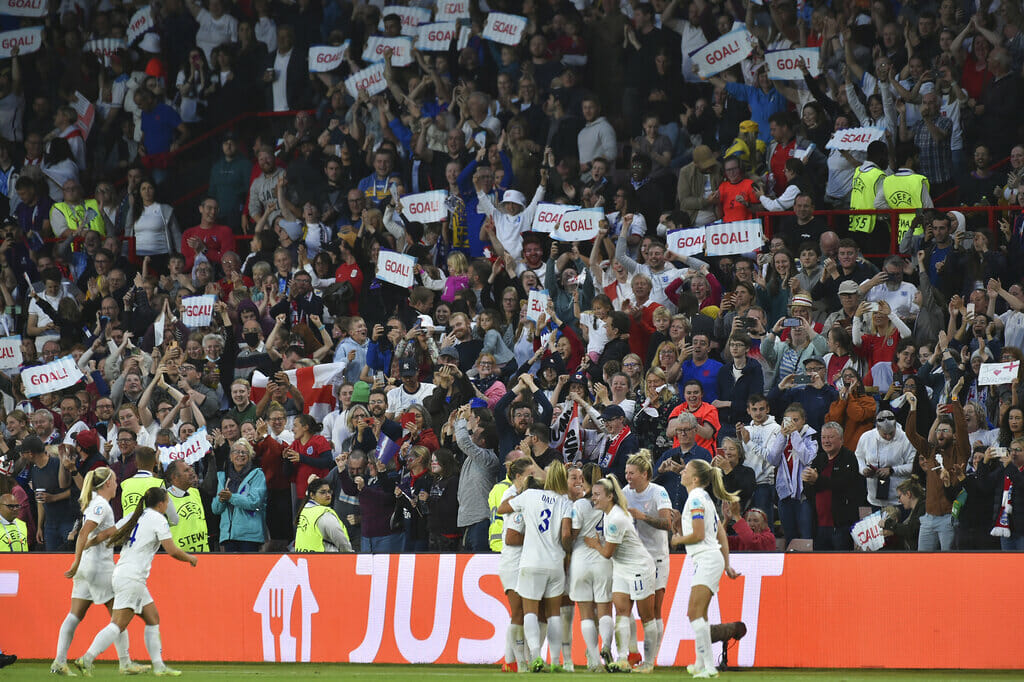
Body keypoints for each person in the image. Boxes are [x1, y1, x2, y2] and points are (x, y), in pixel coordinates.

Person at [72, 488, 197, 677]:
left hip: (124, 573)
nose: (168, 504)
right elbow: (171, 550)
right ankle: (87, 658)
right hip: (132, 577)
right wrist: (190, 558)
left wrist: (89, 543)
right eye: (167, 502)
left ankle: (159, 666)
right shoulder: (158, 519)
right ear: (162, 503)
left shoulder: (134, 515)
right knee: (118, 624)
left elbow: (107, 533)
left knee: (152, 618)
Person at [53, 468, 148, 676]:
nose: (117, 484)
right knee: (120, 615)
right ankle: (124, 662)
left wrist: (113, 533)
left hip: (88, 567)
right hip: (98, 567)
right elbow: (83, 533)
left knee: (74, 614)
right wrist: (75, 561)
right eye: (115, 480)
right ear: (107, 484)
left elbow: (95, 535)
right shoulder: (101, 505)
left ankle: (59, 661)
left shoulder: (94, 502)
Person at [496, 462, 572, 673]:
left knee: (527, 613)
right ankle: (554, 661)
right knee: (552, 614)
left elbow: (502, 510)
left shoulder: (528, 497)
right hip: (555, 563)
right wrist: (566, 549)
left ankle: (532, 658)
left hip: (531, 562)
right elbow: (566, 535)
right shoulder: (564, 502)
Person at [668, 460, 740, 679]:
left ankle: (709, 667)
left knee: (694, 614)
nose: (682, 472)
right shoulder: (705, 498)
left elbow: (699, 535)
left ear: (695, 478)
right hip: (709, 558)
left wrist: (678, 539)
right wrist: (726, 563)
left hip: (706, 558)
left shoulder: (696, 498)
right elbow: (720, 534)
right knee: (700, 614)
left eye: (686, 470)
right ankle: (700, 663)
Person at [582, 475, 658, 674]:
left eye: (597, 495)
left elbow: (607, 553)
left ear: (610, 497)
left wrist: (595, 544)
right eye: (593, 495)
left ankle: (649, 663)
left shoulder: (616, 518)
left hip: (639, 568)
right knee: (621, 613)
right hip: (622, 568)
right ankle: (622, 658)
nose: (593, 498)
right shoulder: (608, 514)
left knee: (646, 616)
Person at [622, 452, 672, 667]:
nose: (627, 477)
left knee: (653, 611)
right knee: (625, 606)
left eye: (631, 473)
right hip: (632, 558)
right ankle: (632, 654)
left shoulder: (658, 492)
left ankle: (652, 660)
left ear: (644, 474)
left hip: (656, 558)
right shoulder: (625, 493)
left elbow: (667, 524)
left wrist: (642, 517)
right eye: (626, 473)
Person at [569, 463, 614, 673]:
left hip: (581, 560)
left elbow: (574, 533)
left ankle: (594, 660)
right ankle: (606, 647)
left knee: (586, 612)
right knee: (604, 609)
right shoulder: (608, 502)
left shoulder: (580, 505)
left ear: (582, 480)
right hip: (603, 558)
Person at [497, 457, 533, 673]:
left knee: (521, 612)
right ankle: (514, 660)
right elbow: (511, 538)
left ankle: (510, 660)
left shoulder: (517, 495)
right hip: (513, 560)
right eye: (530, 475)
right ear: (518, 477)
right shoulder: (513, 497)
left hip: (520, 560)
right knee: (519, 611)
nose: (534, 478)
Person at [210, 438, 267, 552]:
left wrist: (231, 497)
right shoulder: (222, 476)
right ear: (231, 456)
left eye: (244, 452)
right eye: (236, 452)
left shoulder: (257, 475)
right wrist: (221, 499)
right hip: (228, 536)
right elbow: (216, 509)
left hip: (250, 537)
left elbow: (254, 502)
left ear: (250, 456)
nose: (240, 455)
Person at [294, 476, 353, 552]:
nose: (328, 495)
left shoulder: (305, 510)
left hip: (305, 559)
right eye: (323, 492)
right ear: (312, 495)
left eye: (329, 491)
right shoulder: (324, 514)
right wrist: (348, 553)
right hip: (325, 560)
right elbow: (340, 539)